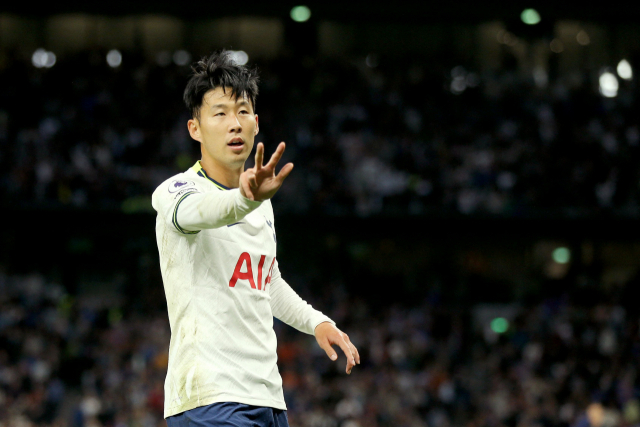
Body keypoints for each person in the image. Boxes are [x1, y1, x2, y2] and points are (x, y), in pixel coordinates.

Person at [151, 50, 360, 427]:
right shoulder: (176, 192)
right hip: (209, 400)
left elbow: (266, 281)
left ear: (256, 123)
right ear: (195, 129)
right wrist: (244, 199)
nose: (234, 124)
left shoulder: (261, 205)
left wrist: (316, 322)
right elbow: (201, 212)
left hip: (267, 397)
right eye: (219, 113)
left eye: (243, 111)